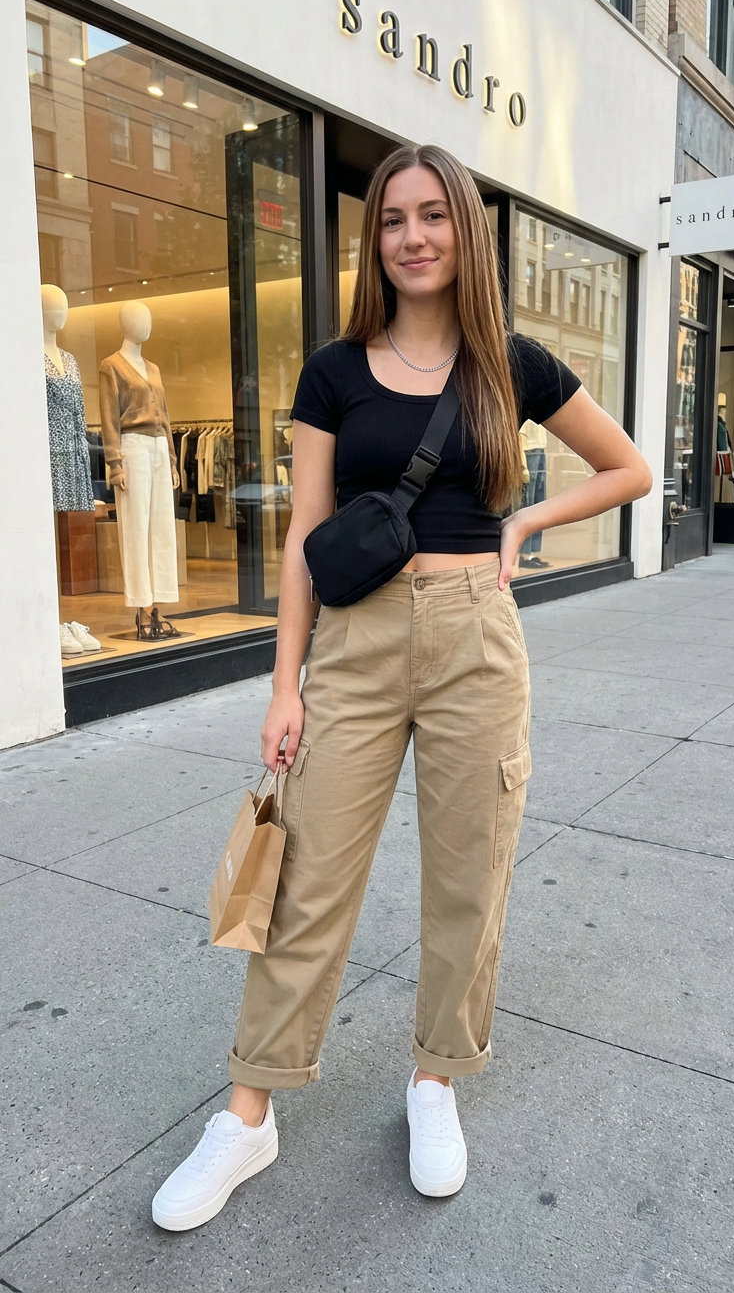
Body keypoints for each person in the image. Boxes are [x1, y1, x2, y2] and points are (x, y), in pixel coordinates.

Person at [152, 144, 652, 1230]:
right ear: (373, 239)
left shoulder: (512, 364)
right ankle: (250, 1111)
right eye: (392, 220)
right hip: (358, 641)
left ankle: (435, 1079)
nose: (414, 236)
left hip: (477, 634)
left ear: (465, 231)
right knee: (307, 879)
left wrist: (521, 520)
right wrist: (284, 680)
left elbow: (628, 467)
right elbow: (304, 538)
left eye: (433, 215)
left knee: (471, 874)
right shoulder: (334, 370)